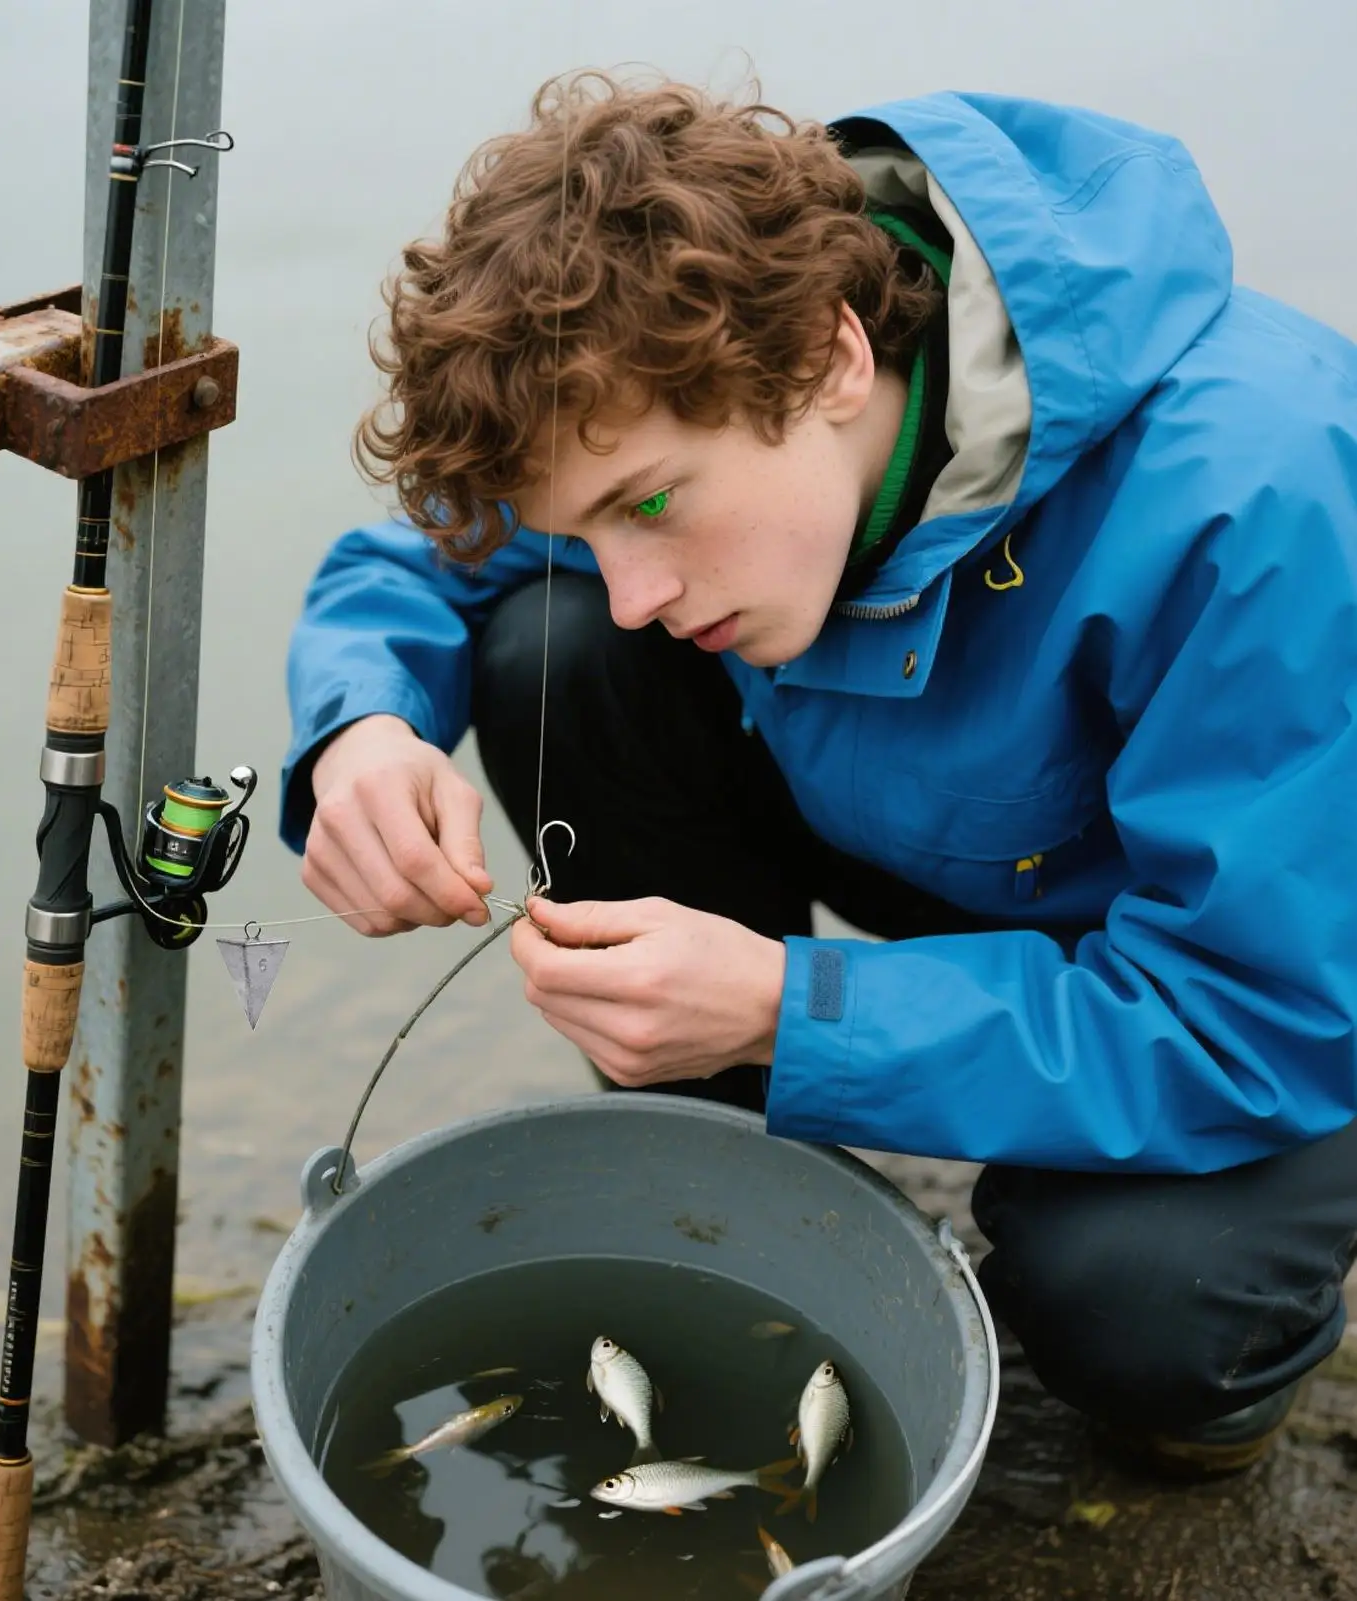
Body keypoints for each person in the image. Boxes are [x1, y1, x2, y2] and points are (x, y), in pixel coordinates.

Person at [279, 72, 1357, 1477]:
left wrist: (797, 1013)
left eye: (651, 505)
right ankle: (725, 1167)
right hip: (971, 842)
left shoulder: (1261, 507)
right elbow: (420, 558)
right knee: (554, 647)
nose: (634, 585)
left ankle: (1216, 1391)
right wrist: (367, 727)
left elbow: (1254, 1016)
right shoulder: (675, 395)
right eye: (588, 526)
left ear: (835, 358)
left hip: (1265, 971)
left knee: (1140, 1300)